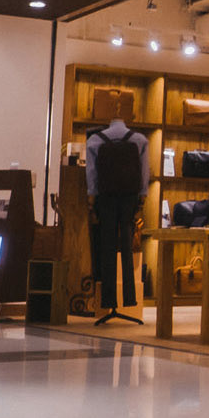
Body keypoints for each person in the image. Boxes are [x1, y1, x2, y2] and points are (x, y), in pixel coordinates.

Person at [86, 115, 149, 320]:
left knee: (107, 247)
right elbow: (144, 172)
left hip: (106, 196)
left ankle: (108, 301)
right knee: (127, 246)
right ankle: (130, 299)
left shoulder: (95, 140)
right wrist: (142, 196)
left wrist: (93, 195)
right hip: (130, 196)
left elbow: (92, 173)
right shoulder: (139, 140)